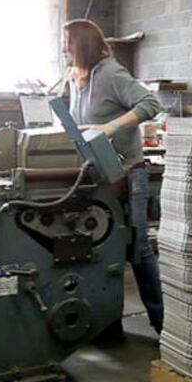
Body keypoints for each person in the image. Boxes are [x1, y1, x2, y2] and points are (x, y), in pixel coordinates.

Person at [61, 19, 164, 334]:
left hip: (127, 174)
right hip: (98, 176)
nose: (64, 49)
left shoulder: (110, 73)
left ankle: (163, 325)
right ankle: (108, 324)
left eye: (69, 43)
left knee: (137, 249)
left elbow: (151, 103)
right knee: (105, 246)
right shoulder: (77, 78)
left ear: (85, 45)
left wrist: (112, 127)